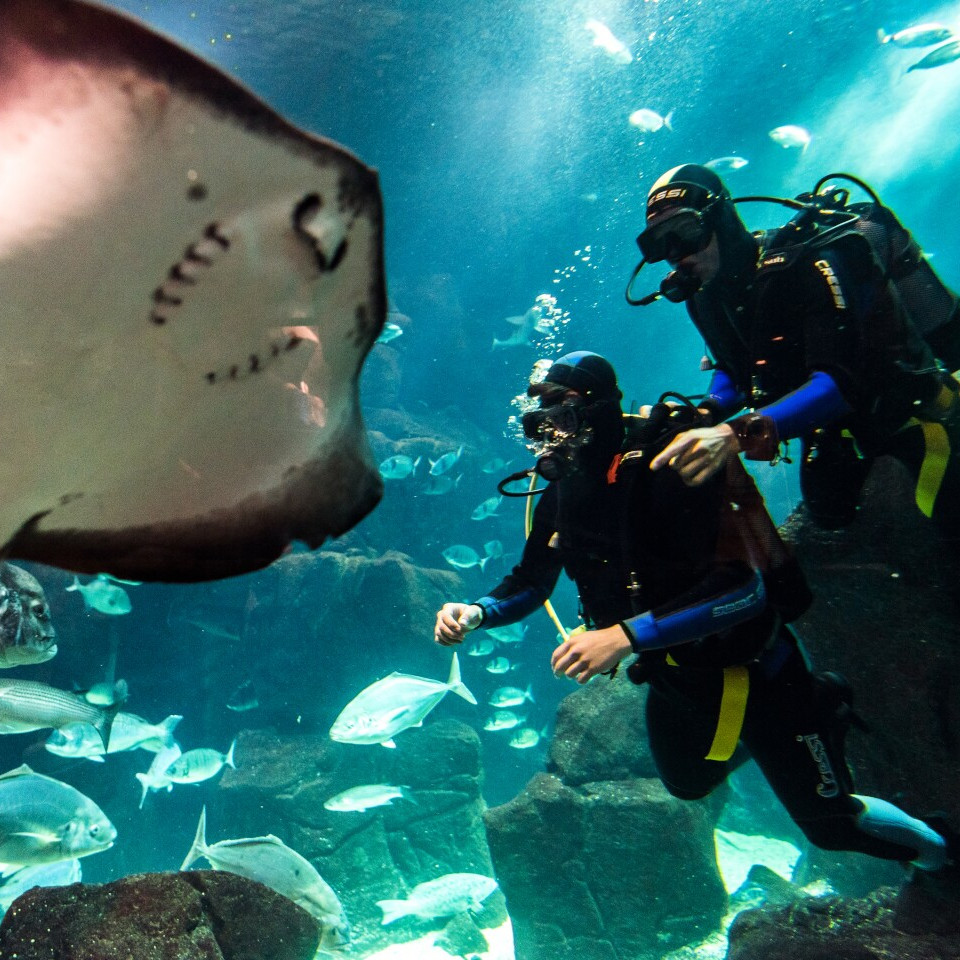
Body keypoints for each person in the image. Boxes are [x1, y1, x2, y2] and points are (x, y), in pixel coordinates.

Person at [434, 350, 956, 890]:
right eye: (538, 416)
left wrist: (624, 635)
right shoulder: (563, 488)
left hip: (756, 671)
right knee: (686, 784)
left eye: (560, 411)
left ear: (599, 406)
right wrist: (477, 612)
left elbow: (744, 592)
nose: (549, 430)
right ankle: (792, 737)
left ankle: (938, 848)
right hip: (675, 677)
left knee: (831, 825)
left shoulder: (667, 465)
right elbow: (530, 580)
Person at [632, 163, 960, 539]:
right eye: (659, 243)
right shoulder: (704, 296)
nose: (675, 254)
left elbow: (840, 383)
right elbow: (735, 365)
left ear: (720, 219)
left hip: (900, 405)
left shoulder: (805, 265)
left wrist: (731, 434)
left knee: (946, 513)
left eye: (686, 231)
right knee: (829, 512)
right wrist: (708, 410)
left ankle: (948, 411)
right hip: (834, 422)